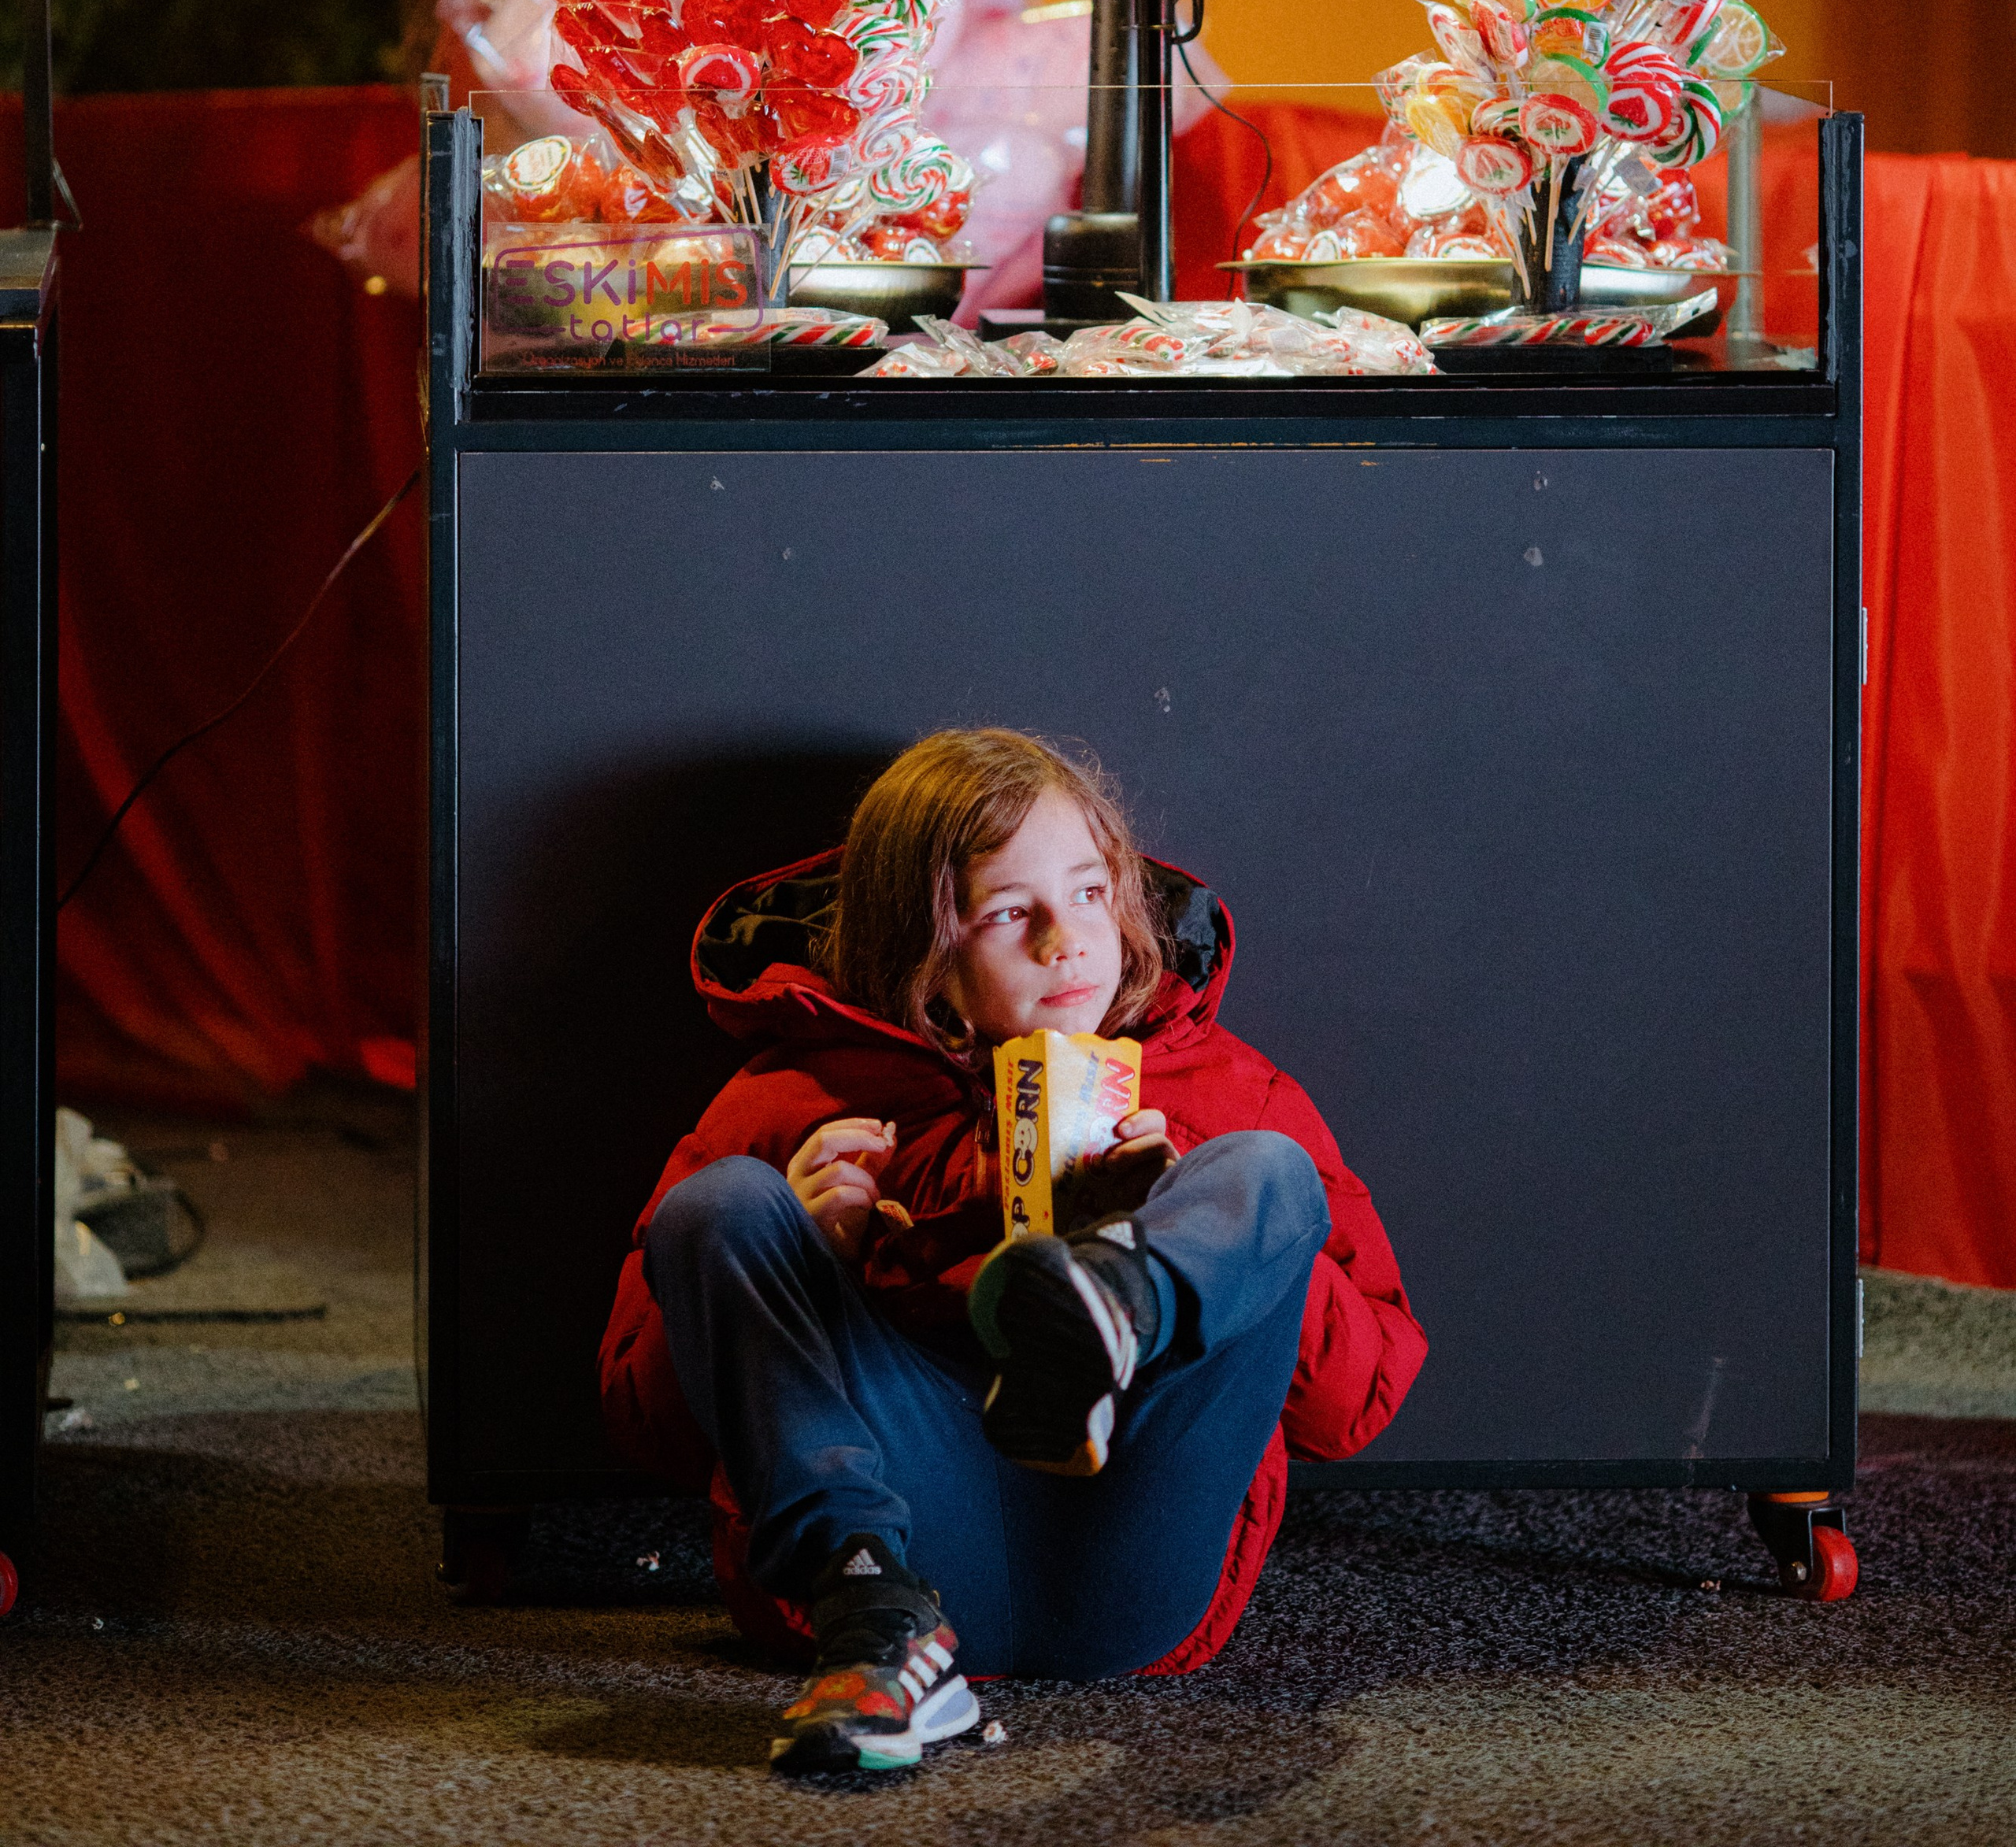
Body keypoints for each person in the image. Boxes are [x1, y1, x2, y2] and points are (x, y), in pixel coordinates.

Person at [600, 728, 1425, 1775]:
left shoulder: (1225, 1086)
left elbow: (1351, 1408)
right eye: (1007, 914)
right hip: (895, 1555)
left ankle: (1119, 1305)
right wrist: (804, 1264)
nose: (1065, 942)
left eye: (1088, 893)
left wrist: (1195, 1238)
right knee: (721, 1205)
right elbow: (643, 1425)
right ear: (925, 948)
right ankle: (884, 1633)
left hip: (1135, 1545)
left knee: (1261, 1171)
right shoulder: (795, 1102)